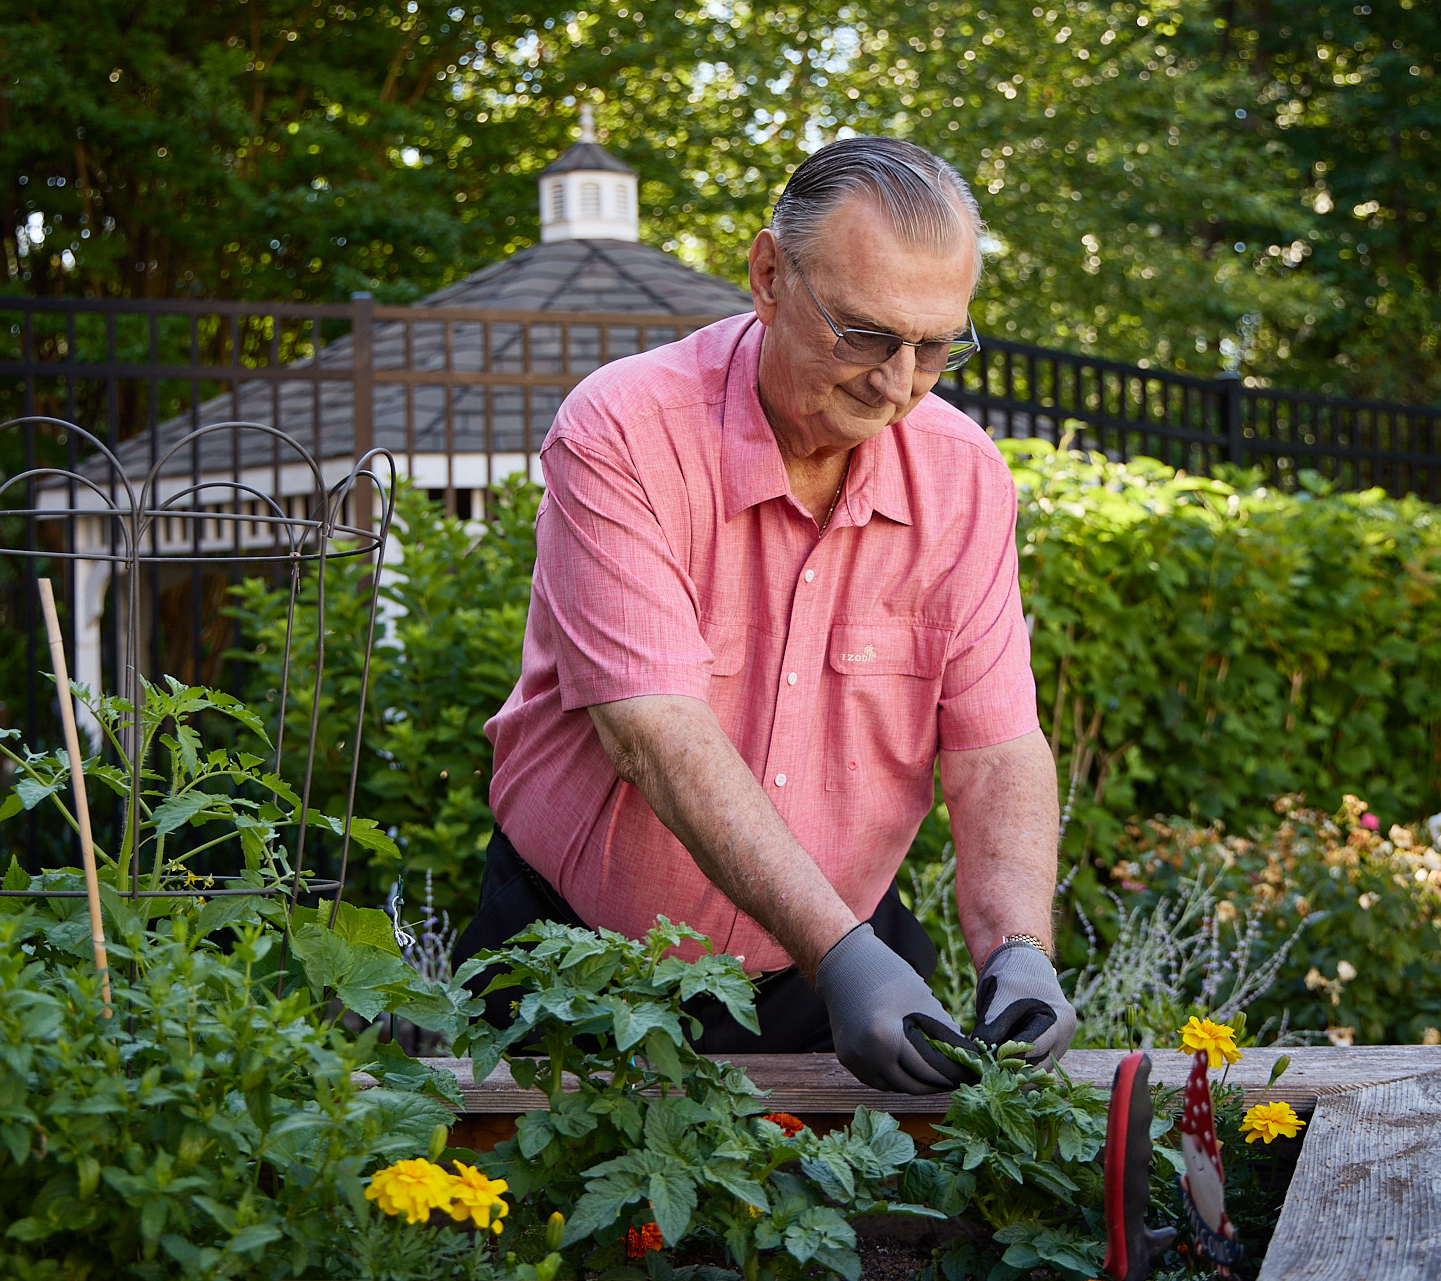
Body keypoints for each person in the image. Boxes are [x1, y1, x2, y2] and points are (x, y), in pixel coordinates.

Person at [453, 135, 1076, 1094]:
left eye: (937, 345)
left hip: (837, 971)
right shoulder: (624, 430)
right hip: (576, 968)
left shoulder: (963, 475)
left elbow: (996, 746)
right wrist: (843, 952)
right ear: (769, 274)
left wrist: (1021, 943)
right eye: (864, 334)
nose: (897, 381)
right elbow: (654, 733)